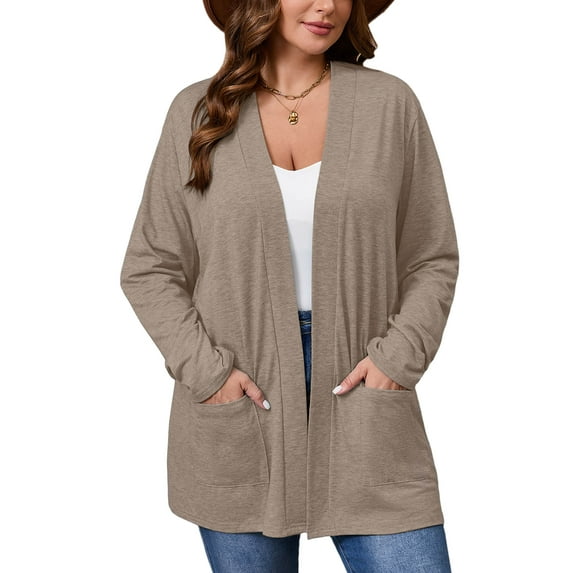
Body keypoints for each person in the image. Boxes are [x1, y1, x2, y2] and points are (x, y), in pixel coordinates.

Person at [120, 0, 459, 570]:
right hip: (242, 398)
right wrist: (209, 374)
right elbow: (150, 265)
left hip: (365, 394)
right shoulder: (198, 112)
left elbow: (431, 255)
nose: (328, 5)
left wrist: (398, 359)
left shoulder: (389, 104)